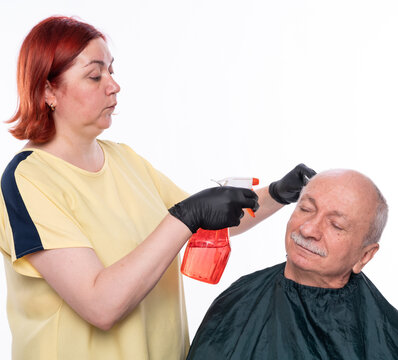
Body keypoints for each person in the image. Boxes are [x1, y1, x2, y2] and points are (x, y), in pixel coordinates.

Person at [0, 16, 316, 360]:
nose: (113, 85)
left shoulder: (124, 160)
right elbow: (100, 306)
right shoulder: (28, 180)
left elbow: (211, 219)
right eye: (95, 75)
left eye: (111, 71)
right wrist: (187, 215)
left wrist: (279, 193)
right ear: (47, 91)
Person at [187, 169, 398, 360]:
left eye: (336, 225)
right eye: (305, 209)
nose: (307, 230)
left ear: (365, 256)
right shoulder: (239, 296)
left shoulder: (387, 335)